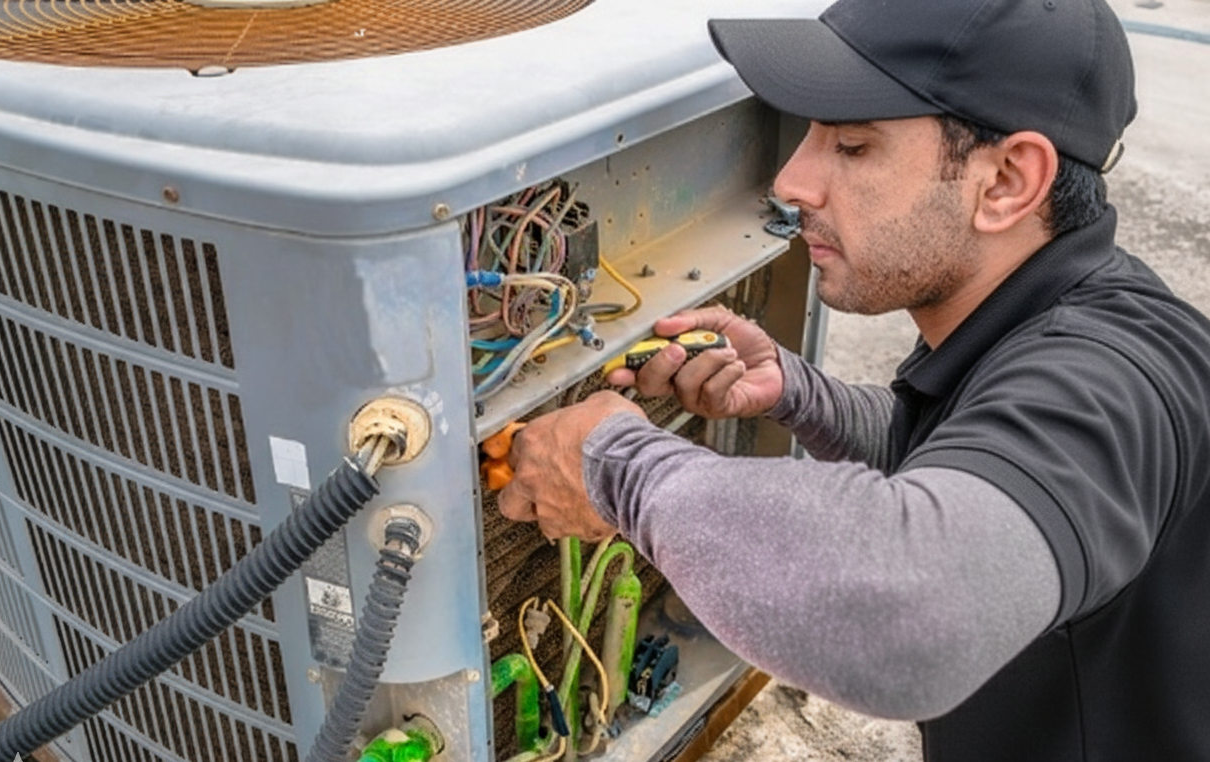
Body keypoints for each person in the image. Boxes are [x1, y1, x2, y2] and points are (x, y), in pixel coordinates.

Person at [498, 0, 1210, 758]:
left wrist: (618, 470)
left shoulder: (1114, 375)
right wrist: (806, 397)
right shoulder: (1045, 321)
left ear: (1006, 180)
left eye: (854, 145)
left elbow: (910, 614)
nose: (793, 180)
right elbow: (974, 452)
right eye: (808, 134)